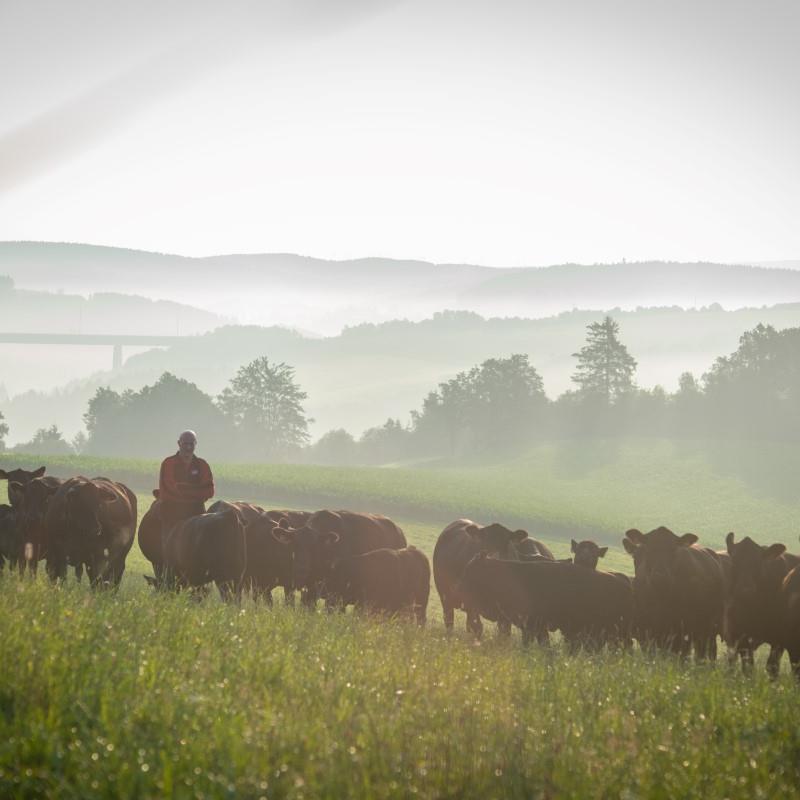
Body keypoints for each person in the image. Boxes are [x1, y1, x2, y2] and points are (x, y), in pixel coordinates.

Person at [158, 430, 214, 531]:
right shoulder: (168, 463)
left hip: (196, 513)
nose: (188, 447)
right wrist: (197, 491)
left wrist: (182, 488)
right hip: (172, 512)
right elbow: (169, 488)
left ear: (195, 444)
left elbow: (209, 490)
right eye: (185, 444)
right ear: (179, 443)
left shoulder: (203, 465)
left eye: (191, 444)